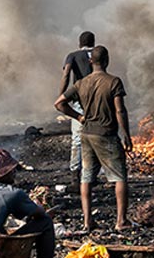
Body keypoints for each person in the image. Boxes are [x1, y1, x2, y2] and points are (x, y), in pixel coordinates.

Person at [54, 45, 133, 232]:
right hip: (106, 134)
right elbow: (120, 110)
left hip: (87, 133)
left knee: (86, 178)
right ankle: (121, 221)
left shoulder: (81, 83)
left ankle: (88, 222)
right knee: (119, 177)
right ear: (107, 61)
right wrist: (127, 135)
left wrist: (78, 117)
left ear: (91, 62)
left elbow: (59, 103)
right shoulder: (114, 82)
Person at [59, 31, 95, 189]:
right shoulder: (98, 53)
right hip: (98, 98)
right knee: (97, 135)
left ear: (80, 43)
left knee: (78, 139)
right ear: (93, 42)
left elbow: (66, 74)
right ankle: (93, 174)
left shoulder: (72, 56)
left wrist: (61, 94)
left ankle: (75, 177)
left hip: (80, 99)